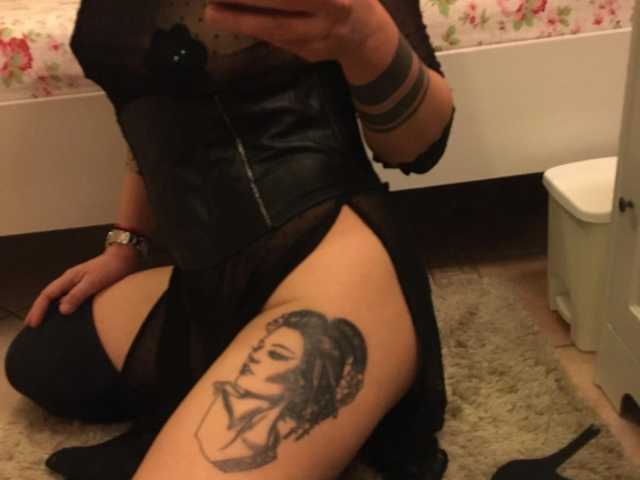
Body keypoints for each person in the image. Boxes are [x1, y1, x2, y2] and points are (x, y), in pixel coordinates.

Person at [4, 0, 456, 478]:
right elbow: (156, 96)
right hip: (204, 278)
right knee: (45, 355)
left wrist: (364, 34)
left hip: (329, 256)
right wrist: (127, 243)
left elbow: (418, 145)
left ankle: (369, 390)